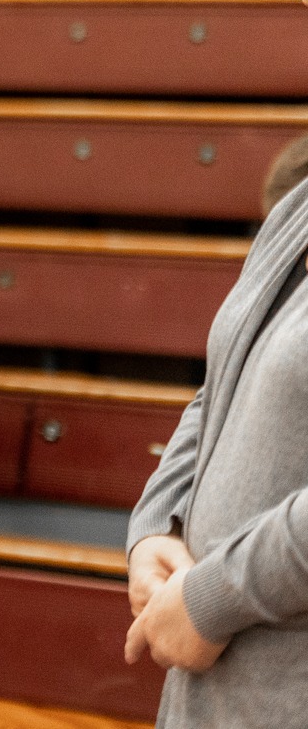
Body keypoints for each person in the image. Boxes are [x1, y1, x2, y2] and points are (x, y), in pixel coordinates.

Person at [124, 169, 308, 723]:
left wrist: (216, 596)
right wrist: (156, 523)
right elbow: (222, 381)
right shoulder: (298, 205)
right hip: (209, 699)